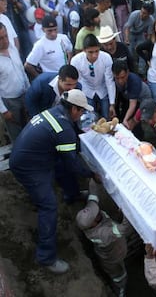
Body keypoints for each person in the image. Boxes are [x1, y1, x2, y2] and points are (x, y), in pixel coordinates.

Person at [9, 89, 99, 274]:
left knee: (60, 166)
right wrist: (91, 174)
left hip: (27, 156)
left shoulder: (55, 112)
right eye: (81, 110)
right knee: (48, 206)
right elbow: (73, 164)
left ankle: (71, 195)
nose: (82, 114)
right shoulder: (63, 127)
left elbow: (67, 151)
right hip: (29, 167)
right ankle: (46, 257)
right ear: (73, 109)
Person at [76, 181, 132, 297]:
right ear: (93, 223)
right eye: (96, 214)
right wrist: (128, 210)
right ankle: (120, 291)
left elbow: (93, 195)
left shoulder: (91, 217)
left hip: (115, 246)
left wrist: (95, 177)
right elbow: (125, 228)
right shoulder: (101, 234)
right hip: (113, 259)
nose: (97, 212)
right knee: (120, 276)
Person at [71, 34, 116, 119]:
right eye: (91, 52)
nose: (94, 55)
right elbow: (78, 81)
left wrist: (112, 103)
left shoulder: (106, 58)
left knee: (106, 117)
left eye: (97, 51)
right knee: (90, 119)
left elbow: (109, 81)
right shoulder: (76, 61)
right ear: (84, 50)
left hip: (102, 89)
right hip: (86, 90)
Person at [0, 22, 30, 143]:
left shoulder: (13, 49)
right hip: (10, 102)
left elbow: (22, 72)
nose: (5, 40)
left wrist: (29, 91)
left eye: (6, 36)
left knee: (29, 128)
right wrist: (4, 110)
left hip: (24, 95)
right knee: (17, 134)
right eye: (0, 38)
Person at [24, 15, 73, 80]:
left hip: (66, 75)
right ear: (43, 29)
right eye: (49, 31)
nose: (53, 33)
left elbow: (70, 51)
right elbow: (28, 65)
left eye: (55, 30)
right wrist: (40, 78)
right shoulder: (40, 45)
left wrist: (69, 65)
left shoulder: (63, 38)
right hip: (51, 78)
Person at [112, 59, 151, 128]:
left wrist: (126, 119)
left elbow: (133, 105)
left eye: (122, 77)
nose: (120, 81)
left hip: (142, 100)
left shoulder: (134, 81)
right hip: (127, 96)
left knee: (133, 121)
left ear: (127, 72)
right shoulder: (112, 79)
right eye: (117, 78)